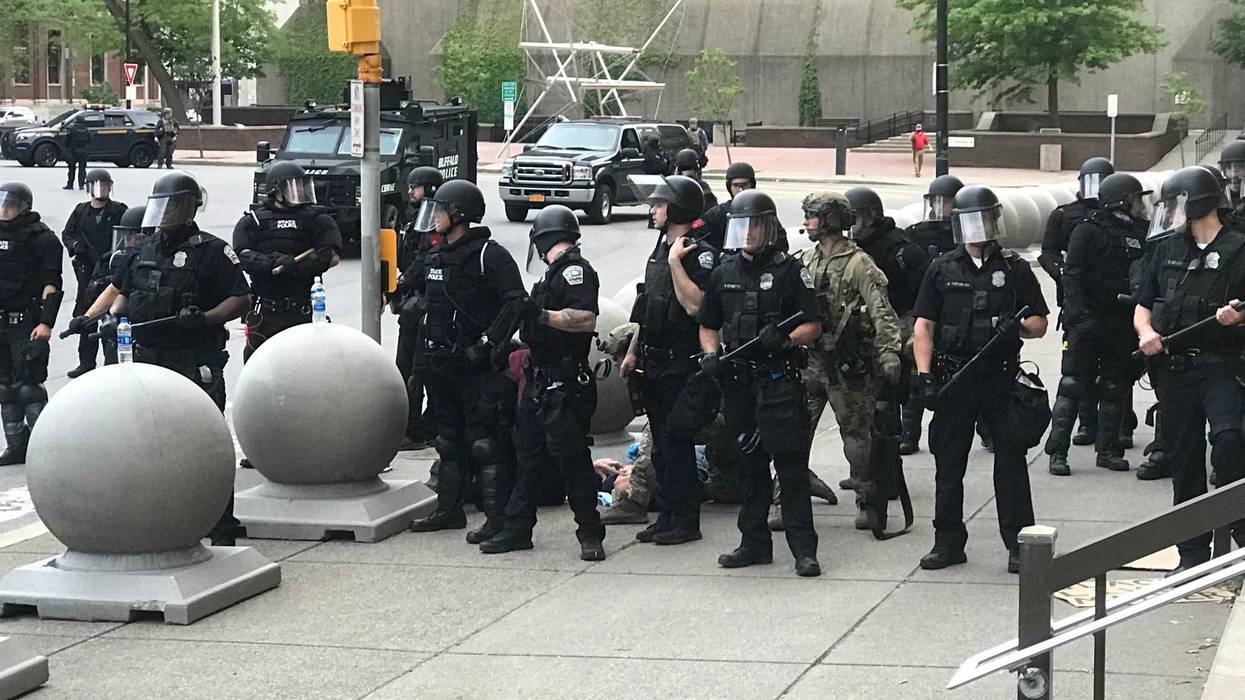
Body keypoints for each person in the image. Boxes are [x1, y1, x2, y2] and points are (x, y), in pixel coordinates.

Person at [95, 171, 250, 545]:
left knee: (204, 440)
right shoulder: (142, 249)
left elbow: (240, 298)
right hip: (148, 358)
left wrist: (207, 317)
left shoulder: (212, 251)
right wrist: (102, 317)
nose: (165, 215)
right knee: (146, 441)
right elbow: (125, 293)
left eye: (173, 207)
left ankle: (221, 521)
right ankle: (158, 514)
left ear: (189, 207)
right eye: (161, 207)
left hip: (193, 358)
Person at [913, 185, 1049, 574]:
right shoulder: (941, 267)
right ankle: (948, 541)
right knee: (948, 463)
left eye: (983, 221)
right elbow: (923, 326)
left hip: (999, 380)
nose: (977, 230)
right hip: (954, 377)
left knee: (1010, 463)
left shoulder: (1014, 268)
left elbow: (1040, 323)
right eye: (969, 222)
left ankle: (1019, 544)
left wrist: (1018, 326)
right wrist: (924, 377)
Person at [697, 189, 824, 577]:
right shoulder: (723, 272)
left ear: (768, 227)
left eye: (754, 225)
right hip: (738, 384)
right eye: (741, 225)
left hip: (777, 382)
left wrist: (787, 340)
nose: (748, 233)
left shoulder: (790, 272)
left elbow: (813, 324)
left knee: (790, 467)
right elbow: (707, 325)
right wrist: (711, 354)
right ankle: (753, 543)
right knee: (749, 467)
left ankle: (804, 549)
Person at [479, 205, 606, 561]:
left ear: (544, 238)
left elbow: (584, 319)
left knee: (573, 461)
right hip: (540, 380)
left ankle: (590, 532)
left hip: (566, 383)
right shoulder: (551, 275)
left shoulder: (576, 272)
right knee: (529, 457)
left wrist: (541, 315)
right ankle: (518, 528)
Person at [1135, 166, 1245, 573]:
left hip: (1221, 366)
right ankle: (1192, 554)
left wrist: (1239, 319)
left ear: (1196, 205)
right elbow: (1144, 303)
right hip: (1175, 370)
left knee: (1229, 440)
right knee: (1184, 460)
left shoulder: (1239, 249)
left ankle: (1239, 526)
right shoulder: (1167, 250)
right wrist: (1146, 332)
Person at [408, 180, 527, 534]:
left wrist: (490, 344)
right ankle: (449, 509)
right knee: (447, 440)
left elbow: (516, 301)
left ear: (459, 215)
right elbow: (428, 310)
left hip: (476, 367)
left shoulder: (488, 254)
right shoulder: (434, 255)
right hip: (440, 365)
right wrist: (419, 366)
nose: (434, 217)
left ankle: (496, 520)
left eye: (440, 210)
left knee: (485, 443)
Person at [793, 191, 901, 530]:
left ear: (831, 221)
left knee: (856, 436)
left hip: (846, 364)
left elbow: (882, 311)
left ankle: (868, 499)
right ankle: (789, 497)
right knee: (793, 433)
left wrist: (889, 352)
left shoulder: (859, 264)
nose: (806, 221)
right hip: (810, 362)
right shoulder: (806, 260)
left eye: (812, 215)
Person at [618, 175, 715, 545]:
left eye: (659, 204)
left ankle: (686, 521)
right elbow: (647, 307)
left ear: (677, 209)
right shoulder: (660, 248)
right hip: (653, 361)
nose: (653, 209)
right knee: (661, 445)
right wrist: (632, 351)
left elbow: (697, 306)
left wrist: (677, 264)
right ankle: (667, 515)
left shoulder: (695, 253)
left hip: (682, 363)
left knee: (677, 442)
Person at [1046, 173, 1149, 476]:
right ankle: (1058, 453)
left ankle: (1108, 450)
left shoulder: (1141, 233)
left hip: (1120, 323)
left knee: (1115, 386)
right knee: (1073, 385)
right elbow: (1072, 275)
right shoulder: (1088, 230)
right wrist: (1079, 317)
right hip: (1087, 321)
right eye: (1136, 199)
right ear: (1122, 199)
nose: (1140, 205)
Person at [845, 187, 930, 466]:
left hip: (896, 327)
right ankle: (865, 469)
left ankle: (889, 467)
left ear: (872, 216)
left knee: (888, 399)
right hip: (861, 331)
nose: (850, 225)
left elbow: (924, 296)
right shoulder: (851, 250)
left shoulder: (901, 250)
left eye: (854, 218)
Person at [1040, 156, 1116, 447]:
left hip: (1110, 302)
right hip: (1075, 300)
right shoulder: (1065, 214)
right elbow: (1047, 251)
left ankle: (1118, 427)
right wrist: (1062, 272)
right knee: (1078, 369)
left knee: (1114, 368)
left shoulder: (1118, 218)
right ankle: (1086, 422)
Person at [233, 162, 342, 361]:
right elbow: (242, 255)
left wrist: (300, 266)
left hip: (303, 308)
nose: (300, 190)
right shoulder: (253, 221)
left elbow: (331, 254)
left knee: (307, 365)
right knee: (258, 365)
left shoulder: (318, 219)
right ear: (276, 190)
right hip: (266, 310)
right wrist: (271, 263)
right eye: (294, 186)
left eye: (302, 185)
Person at [0, 183, 63, 466]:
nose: (4, 209)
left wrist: (46, 323)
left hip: (26, 322)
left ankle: (44, 445)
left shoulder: (43, 239)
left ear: (24, 206)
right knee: (4, 387)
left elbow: (52, 284)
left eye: (10, 204)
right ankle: (17, 447)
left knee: (29, 386)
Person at [899, 174, 963, 454]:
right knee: (917, 376)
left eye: (947, 203)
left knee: (966, 373)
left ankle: (985, 430)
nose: (941, 209)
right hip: (926, 311)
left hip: (958, 314)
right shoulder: (916, 233)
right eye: (936, 202)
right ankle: (909, 434)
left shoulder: (964, 235)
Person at [394, 166, 444, 451]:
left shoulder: (437, 224)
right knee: (406, 369)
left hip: (428, 304)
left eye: (417, 186)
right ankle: (412, 424)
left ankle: (419, 428)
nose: (411, 191)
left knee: (419, 370)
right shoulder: (414, 219)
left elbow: (426, 260)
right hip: (412, 303)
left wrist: (402, 282)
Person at [62, 169, 127, 378]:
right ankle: (86, 362)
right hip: (87, 272)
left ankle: (112, 362)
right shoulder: (81, 211)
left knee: (114, 317)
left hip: (110, 268)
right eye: (97, 185)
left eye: (105, 185)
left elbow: (128, 233)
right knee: (85, 316)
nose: (101, 189)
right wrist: (75, 245)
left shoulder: (118, 210)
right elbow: (67, 233)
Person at [692, 161, 756, 250]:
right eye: (736, 185)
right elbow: (695, 233)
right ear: (729, 187)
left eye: (745, 185)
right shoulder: (718, 213)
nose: (741, 190)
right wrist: (716, 254)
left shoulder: (761, 210)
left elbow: (778, 239)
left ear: (752, 185)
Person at [63, 116, 91, 190]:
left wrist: (66, 150)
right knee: (82, 169)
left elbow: (66, 141)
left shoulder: (72, 129)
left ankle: (70, 184)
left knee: (71, 169)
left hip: (73, 151)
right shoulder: (86, 130)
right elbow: (89, 140)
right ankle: (81, 185)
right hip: (83, 151)